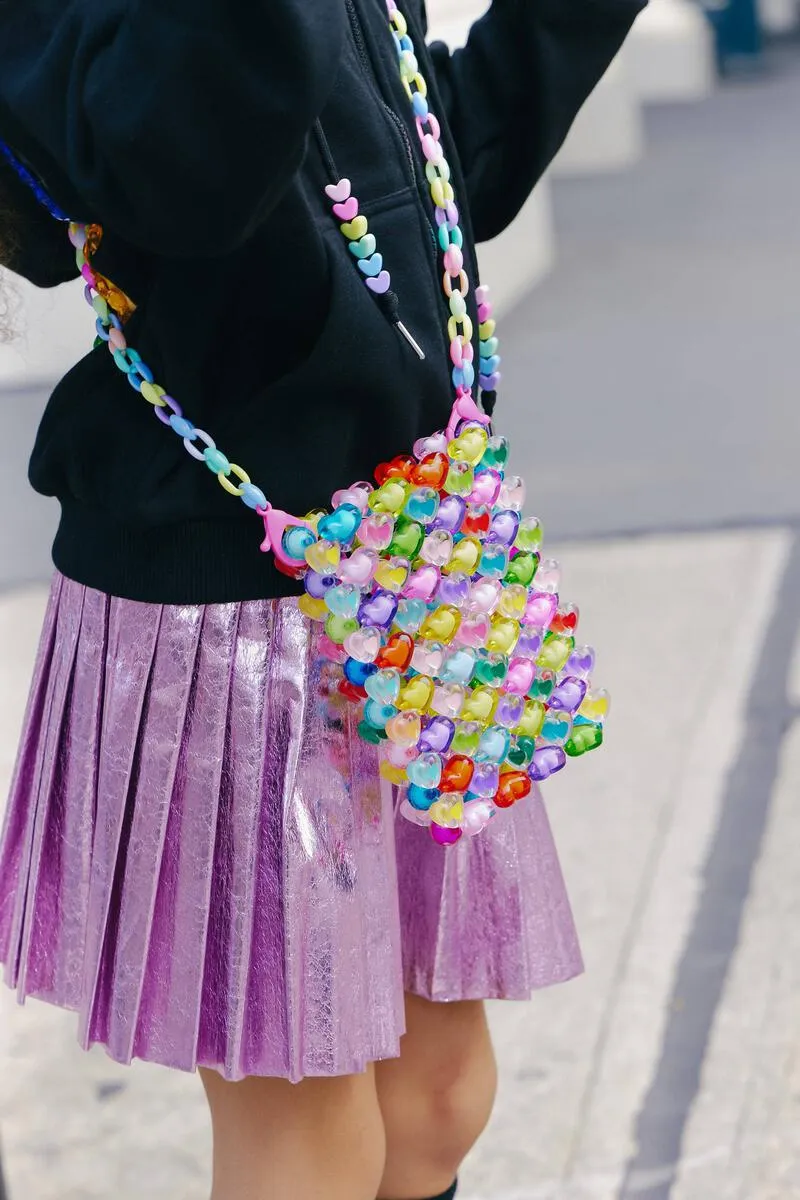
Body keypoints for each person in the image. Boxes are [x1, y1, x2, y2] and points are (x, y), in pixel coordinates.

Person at [0, 1, 644, 1198]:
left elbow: (439, 170)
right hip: (222, 601)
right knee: (310, 1135)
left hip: (415, 554)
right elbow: (195, 175)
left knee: (438, 1099)